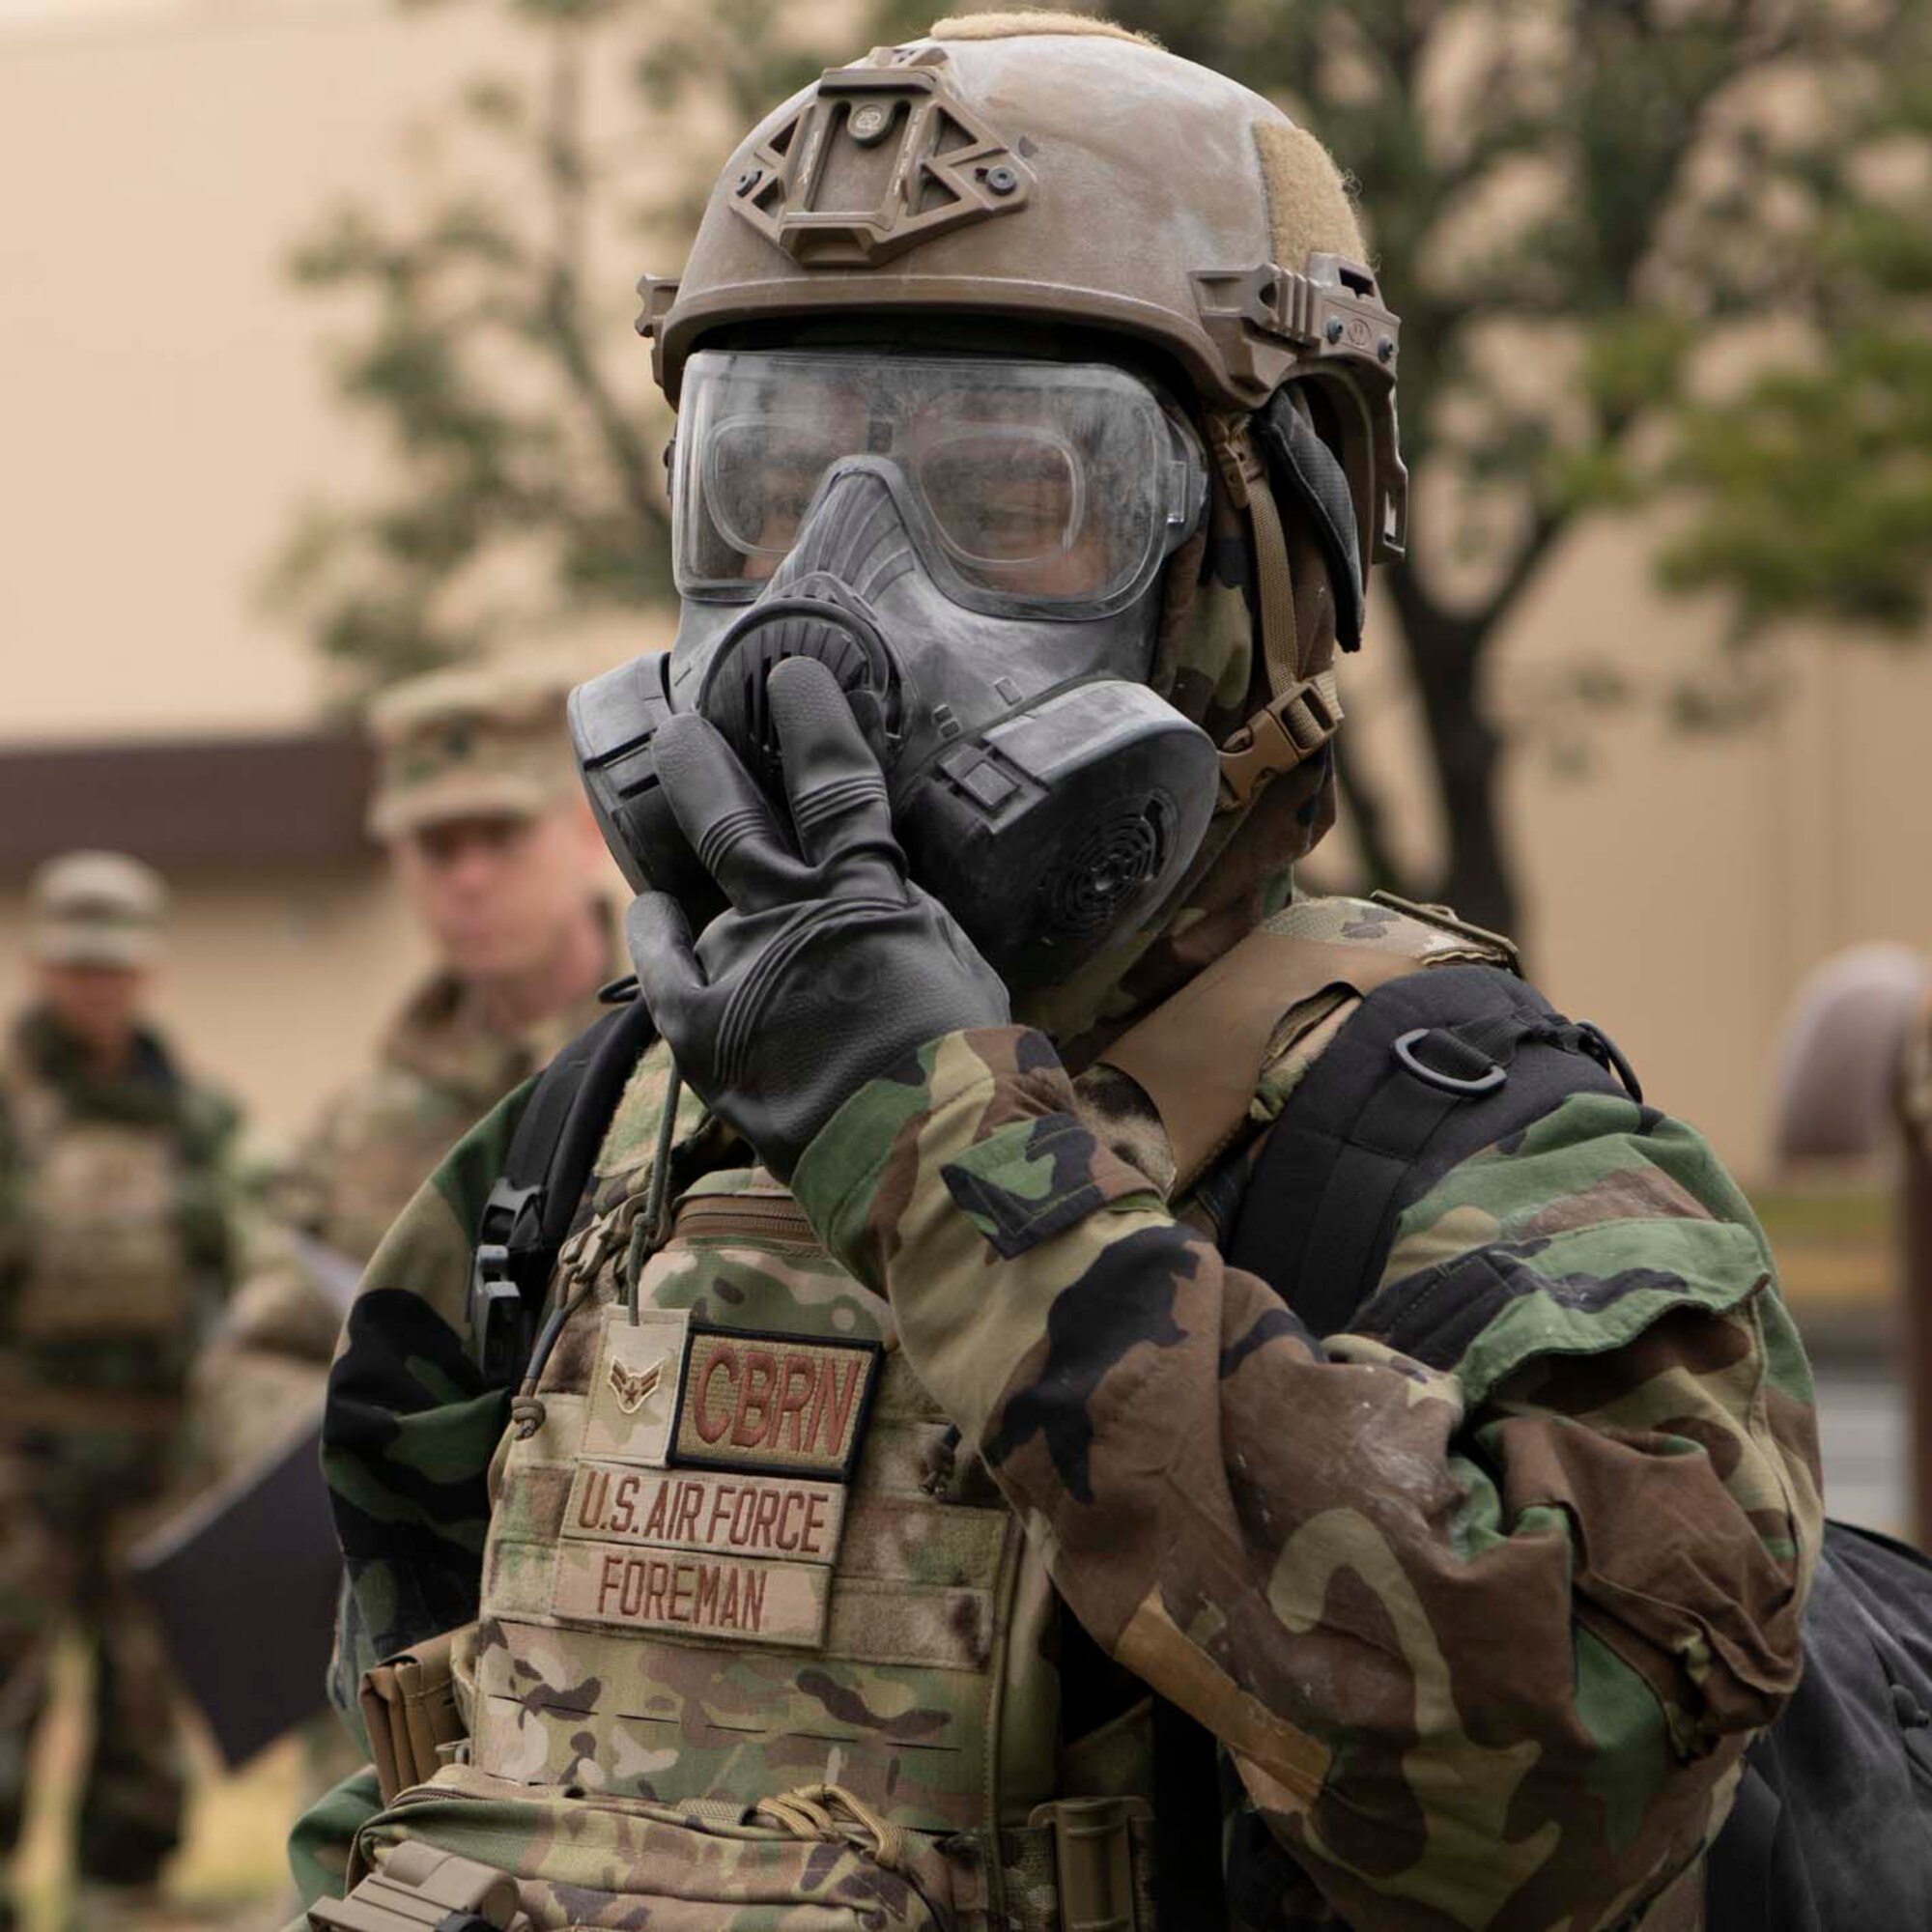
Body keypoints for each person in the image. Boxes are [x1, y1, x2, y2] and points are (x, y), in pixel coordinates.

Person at [294, 18, 1823, 1931]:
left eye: (1005, 501)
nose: (832, 615)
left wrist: (933, 1137)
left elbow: (1571, 1791)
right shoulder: (588, 1141)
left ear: (1262, 546)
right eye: (759, 493)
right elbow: (400, 1774)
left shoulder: (1477, 1165)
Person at [0, 851, 240, 1932]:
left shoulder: (195, 1115)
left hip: (156, 1445)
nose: (97, 985)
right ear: (43, 964)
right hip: (20, 1450)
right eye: (78, 964)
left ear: (147, 972)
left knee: (144, 1689)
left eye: (116, 966)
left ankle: (123, 1890)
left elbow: (244, 1265)